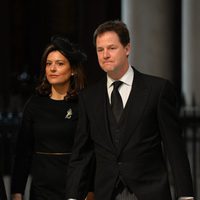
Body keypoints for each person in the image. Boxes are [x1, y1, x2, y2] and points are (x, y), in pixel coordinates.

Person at [65, 20, 194, 200]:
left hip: (150, 192)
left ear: (127, 49)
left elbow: (174, 147)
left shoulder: (157, 90)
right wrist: (73, 196)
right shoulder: (89, 97)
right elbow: (82, 153)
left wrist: (185, 195)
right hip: (107, 193)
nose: (105, 55)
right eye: (100, 50)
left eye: (111, 48)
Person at [11, 35, 94, 200]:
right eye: (49, 64)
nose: (52, 68)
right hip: (41, 190)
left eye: (60, 63)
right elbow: (23, 152)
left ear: (72, 70)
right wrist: (17, 191)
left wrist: (91, 191)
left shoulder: (83, 105)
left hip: (75, 189)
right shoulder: (34, 105)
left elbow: (91, 153)